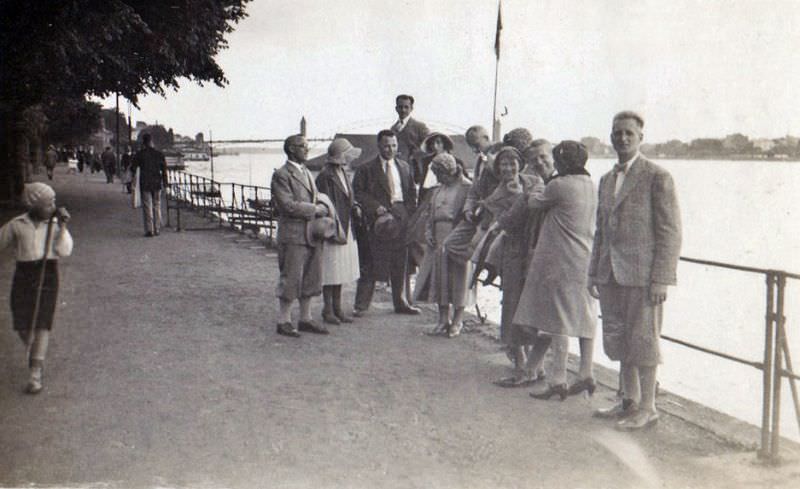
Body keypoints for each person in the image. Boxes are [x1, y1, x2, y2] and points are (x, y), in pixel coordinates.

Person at [589, 111, 682, 430]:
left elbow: (670, 232)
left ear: (641, 138)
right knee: (618, 339)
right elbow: (600, 231)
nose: (623, 138)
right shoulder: (606, 179)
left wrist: (661, 279)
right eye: (617, 133)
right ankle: (628, 400)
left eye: (629, 133)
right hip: (610, 274)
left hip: (642, 277)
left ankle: (648, 407)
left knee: (644, 341)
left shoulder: (657, 176)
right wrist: (593, 273)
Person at [503, 141, 598, 401]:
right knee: (585, 316)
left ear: (563, 162)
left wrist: (531, 187)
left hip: (561, 260)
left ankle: (558, 379)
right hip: (585, 257)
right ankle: (586, 372)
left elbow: (534, 203)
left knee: (559, 322)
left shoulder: (558, 185)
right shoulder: (591, 185)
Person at [0, 183, 72, 394]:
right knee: (23, 324)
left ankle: (35, 372)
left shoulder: (56, 224)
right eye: (48, 203)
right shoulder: (17, 225)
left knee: (42, 323)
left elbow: (64, 250)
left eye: (53, 202)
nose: (53, 206)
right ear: (33, 205)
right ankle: (35, 354)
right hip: (24, 275)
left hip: (48, 275)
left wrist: (64, 228)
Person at [352, 129, 419, 316]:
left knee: (401, 262)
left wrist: (409, 213)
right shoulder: (366, 169)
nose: (390, 149)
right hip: (377, 220)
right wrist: (374, 207)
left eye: (394, 145)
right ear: (379, 146)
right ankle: (361, 305)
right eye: (386, 145)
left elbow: (411, 192)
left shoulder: (404, 167)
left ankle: (401, 302)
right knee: (371, 261)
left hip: (401, 217)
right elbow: (358, 193)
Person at [271, 134, 331, 337]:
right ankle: (283, 320)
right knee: (291, 277)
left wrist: (321, 205)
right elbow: (286, 205)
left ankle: (305, 318)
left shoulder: (306, 172)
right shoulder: (281, 174)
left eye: (306, 146)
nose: (307, 149)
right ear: (290, 149)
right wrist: (315, 209)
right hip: (293, 234)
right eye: (302, 146)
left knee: (311, 277)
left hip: (311, 233)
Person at [412, 153, 473, 337]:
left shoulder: (467, 187)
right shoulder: (438, 190)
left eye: (440, 173)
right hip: (438, 238)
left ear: (449, 171)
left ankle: (457, 321)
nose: (438, 177)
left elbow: (469, 217)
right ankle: (442, 320)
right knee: (441, 279)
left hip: (458, 238)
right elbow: (430, 214)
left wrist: (457, 235)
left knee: (459, 279)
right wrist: (429, 233)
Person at [315, 138, 362, 325]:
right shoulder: (326, 175)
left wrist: (355, 205)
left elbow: (349, 197)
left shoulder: (342, 172)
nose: (349, 159)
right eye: (346, 155)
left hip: (346, 224)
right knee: (330, 269)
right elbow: (323, 201)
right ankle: (328, 310)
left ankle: (337, 307)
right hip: (333, 226)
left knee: (340, 268)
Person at [442, 125, 498, 266]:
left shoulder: (501, 156)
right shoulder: (480, 160)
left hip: (493, 216)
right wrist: (467, 208)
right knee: (450, 244)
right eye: (471, 146)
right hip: (476, 215)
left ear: (486, 138)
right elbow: (474, 190)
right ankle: (480, 263)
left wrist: (492, 165)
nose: (474, 150)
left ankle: (487, 263)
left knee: (478, 246)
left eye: (476, 145)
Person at [130, 133, 168, 237]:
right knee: (157, 205)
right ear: (152, 142)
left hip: (145, 183)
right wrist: (165, 184)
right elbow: (164, 170)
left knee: (147, 206)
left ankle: (149, 230)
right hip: (157, 183)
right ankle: (157, 229)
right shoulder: (159, 154)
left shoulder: (139, 154)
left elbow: (133, 168)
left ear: (143, 142)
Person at [391, 94, 429, 173]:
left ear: (411, 108)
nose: (403, 110)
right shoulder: (393, 128)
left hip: (414, 169)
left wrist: (413, 156)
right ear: (396, 109)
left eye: (406, 107)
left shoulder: (420, 126)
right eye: (400, 107)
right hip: (396, 168)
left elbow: (429, 147)